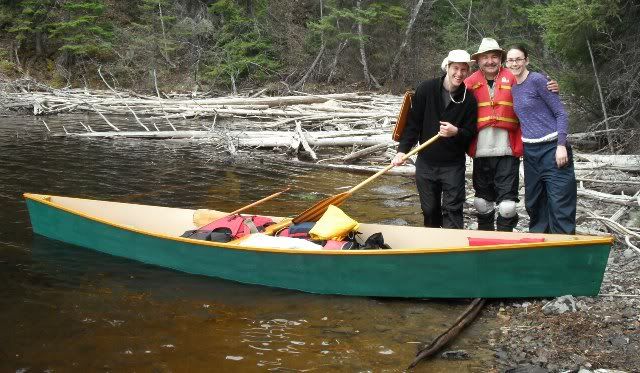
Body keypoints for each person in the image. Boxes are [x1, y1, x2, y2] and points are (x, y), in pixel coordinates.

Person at [465, 37, 558, 231]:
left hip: (507, 150)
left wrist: (552, 86)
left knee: (507, 206)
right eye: (485, 57)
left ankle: (505, 241)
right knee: (482, 203)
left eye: (494, 56)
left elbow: (535, 86)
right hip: (481, 151)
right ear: (478, 61)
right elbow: (448, 93)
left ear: (501, 58)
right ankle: (485, 239)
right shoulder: (469, 83)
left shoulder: (515, 77)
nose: (490, 61)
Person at [392, 50, 477, 229]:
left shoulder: (468, 99)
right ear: (447, 67)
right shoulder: (426, 89)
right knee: (429, 210)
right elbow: (413, 124)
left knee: (453, 209)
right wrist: (402, 151)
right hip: (426, 162)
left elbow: (470, 133)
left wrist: (456, 132)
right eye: (455, 68)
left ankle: (453, 250)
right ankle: (433, 246)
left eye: (464, 69)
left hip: (453, 165)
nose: (459, 73)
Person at [506, 45, 577, 234]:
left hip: (552, 148)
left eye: (518, 59)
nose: (515, 63)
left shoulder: (538, 80)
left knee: (560, 202)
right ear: (507, 63)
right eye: (511, 60)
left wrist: (561, 145)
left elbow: (561, 114)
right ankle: (540, 247)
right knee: (535, 203)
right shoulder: (513, 88)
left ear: (526, 60)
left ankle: (563, 251)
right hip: (531, 152)